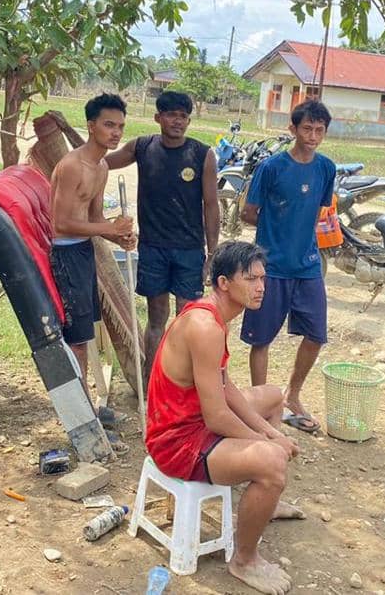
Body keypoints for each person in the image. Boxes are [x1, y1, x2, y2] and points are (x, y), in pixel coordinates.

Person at [146, 241, 302, 595]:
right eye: (250, 278)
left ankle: (262, 502)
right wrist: (266, 442)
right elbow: (216, 416)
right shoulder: (205, 326)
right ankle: (244, 559)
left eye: (262, 278)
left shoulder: (215, 316)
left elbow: (223, 382)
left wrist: (266, 430)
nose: (260, 286)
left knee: (273, 398)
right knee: (272, 463)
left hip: (195, 420)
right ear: (223, 283)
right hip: (176, 441)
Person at [106, 90, 220, 384]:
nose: (177, 121)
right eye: (170, 114)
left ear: (189, 120)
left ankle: (183, 382)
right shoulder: (142, 147)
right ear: (158, 117)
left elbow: (211, 205)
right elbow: (101, 161)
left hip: (189, 250)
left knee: (187, 318)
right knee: (156, 318)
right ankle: (151, 381)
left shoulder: (202, 154)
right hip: (153, 248)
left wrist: (212, 252)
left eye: (182, 116)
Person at [239, 100, 336, 435]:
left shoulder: (326, 168)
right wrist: (273, 234)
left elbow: (319, 209)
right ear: (293, 129)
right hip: (271, 266)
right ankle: (263, 404)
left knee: (316, 334)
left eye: (319, 130)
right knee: (261, 339)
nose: (312, 135)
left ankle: (292, 395)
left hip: (307, 265)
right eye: (306, 128)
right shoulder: (272, 167)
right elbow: (247, 212)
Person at [50, 95, 137, 406]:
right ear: (91, 126)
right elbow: (61, 223)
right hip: (64, 255)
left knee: (85, 336)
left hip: (84, 251)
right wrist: (109, 229)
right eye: (109, 125)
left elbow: (95, 219)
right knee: (76, 339)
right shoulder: (73, 166)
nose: (116, 132)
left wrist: (119, 237)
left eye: (120, 127)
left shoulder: (100, 167)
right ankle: (80, 406)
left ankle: (84, 402)